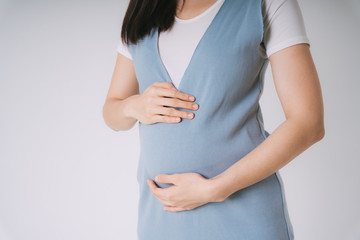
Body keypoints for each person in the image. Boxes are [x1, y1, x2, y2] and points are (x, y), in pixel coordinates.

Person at [103, 0, 325, 239]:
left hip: (244, 217)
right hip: (162, 219)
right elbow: (112, 112)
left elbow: (308, 122)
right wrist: (132, 106)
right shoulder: (143, 9)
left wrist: (216, 189)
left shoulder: (265, 4)